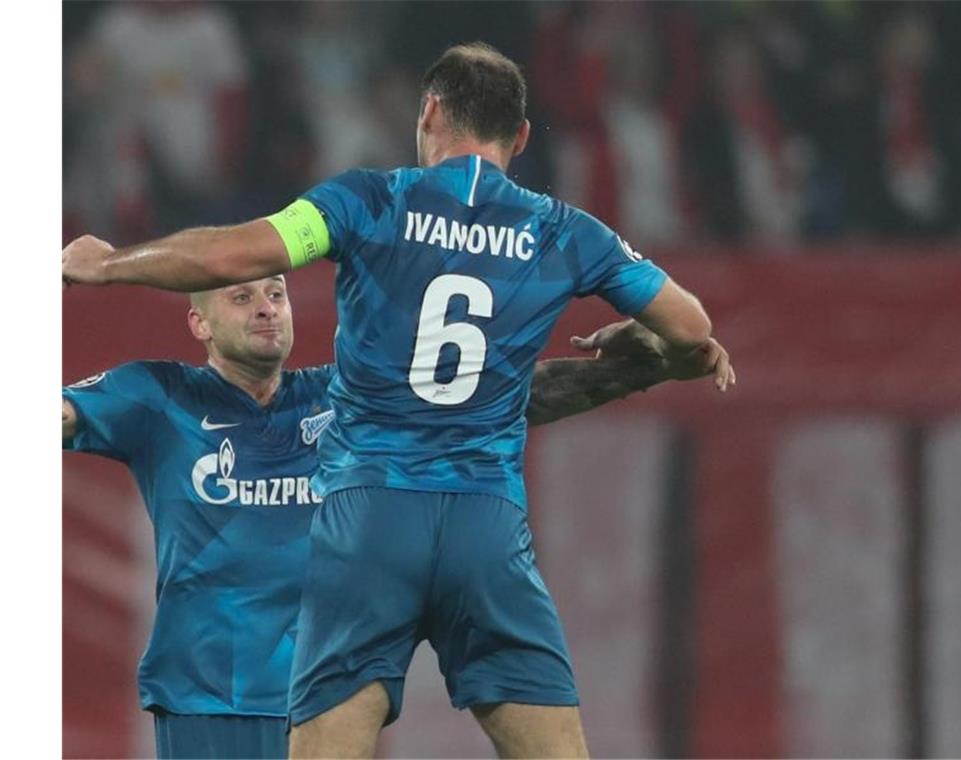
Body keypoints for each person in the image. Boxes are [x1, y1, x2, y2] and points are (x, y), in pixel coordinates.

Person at [63, 42, 729, 758]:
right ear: (523, 136)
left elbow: (238, 252)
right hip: (485, 520)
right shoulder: (565, 230)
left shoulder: (369, 201)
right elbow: (691, 329)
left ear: (430, 112)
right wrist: (658, 352)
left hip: (370, 518)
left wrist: (108, 265)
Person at [64, 275, 733, 759]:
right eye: (242, 298)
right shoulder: (155, 396)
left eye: (276, 293)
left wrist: (646, 368)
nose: (267, 309)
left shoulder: (348, 395)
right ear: (200, 323)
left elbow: (506, 400)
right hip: (211, 696)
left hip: (328, 702)